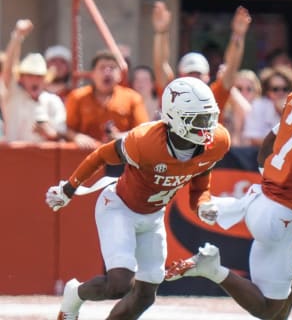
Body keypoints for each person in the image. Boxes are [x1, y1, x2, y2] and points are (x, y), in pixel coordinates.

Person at [165, 55, 292, 320]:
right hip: (278, 219)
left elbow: (266, 149)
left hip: (264, 200)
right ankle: (212, 269)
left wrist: (275, 179)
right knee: (267, 309)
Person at [45, 77, 231, 320]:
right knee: (120, 284)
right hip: (119, 208)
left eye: (210, 118)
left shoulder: (217, 142)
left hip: (152, 216)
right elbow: (101, 155)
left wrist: (204, 205)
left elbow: (199, 188)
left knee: (145, 295)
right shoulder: (145, 141)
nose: (208, 127)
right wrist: (69, 189)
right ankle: (75, 294)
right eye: (199, 120)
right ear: (175, 117)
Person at [152, 1, 252, 114]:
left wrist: (238, 36)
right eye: (190, 75)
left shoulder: (214, 95)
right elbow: (160, 65)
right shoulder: (172, 94)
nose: (194, 80)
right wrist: (161, 32)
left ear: (207, 77)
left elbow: (231, 67)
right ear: (180, 76)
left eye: (198, 75)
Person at [65, 50, 149, 149]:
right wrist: (76, 137)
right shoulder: (77, 97)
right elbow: (66, 129)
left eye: (112, 68)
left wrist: (123, 136)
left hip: (121, 157)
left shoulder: (133, 98)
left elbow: (143, 131)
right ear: (93, 74)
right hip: (86, 156)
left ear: (120, 75)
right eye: (102, 67)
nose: (107, 71)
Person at [0, 19, 66, 142]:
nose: (34, 80)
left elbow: (62, 133)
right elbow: (8, 68)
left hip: (45, 160)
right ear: (22, 78)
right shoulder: (13, 96)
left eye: (39, 76)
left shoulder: (54, 101)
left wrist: (51, 134)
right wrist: (17, 36)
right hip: (12, 160)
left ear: (45, 79)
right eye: (30, 75)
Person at [242, 65, 292, 146]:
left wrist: (285, 112)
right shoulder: (259, 106)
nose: (280, 93)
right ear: (267, 91)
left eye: (285, 89)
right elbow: (254, 138)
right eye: (275, 89)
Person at [221, 69, 262, 146]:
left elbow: (247, 111)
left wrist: (230, 87)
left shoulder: (262, 113)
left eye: (249, 89)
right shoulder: (224, 114)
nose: (244, 93)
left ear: (257, 91)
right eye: (239, 89)